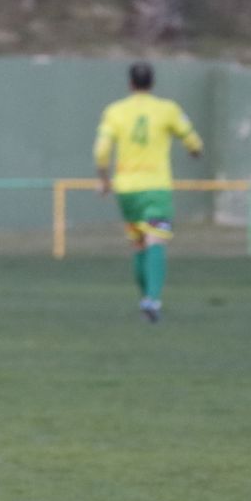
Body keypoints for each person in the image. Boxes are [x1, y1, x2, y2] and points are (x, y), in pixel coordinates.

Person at [93, 62, 203, 323]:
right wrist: (195, 150)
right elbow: (193, 139)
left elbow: (101, 151)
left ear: (130, 84)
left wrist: (104, 180)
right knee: (156, 240)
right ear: (152, 84)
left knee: (139, 244)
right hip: (156, 189)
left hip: (127, 190)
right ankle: (152, 300)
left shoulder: (115, 111)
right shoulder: (167, 110)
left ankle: (145, 299)